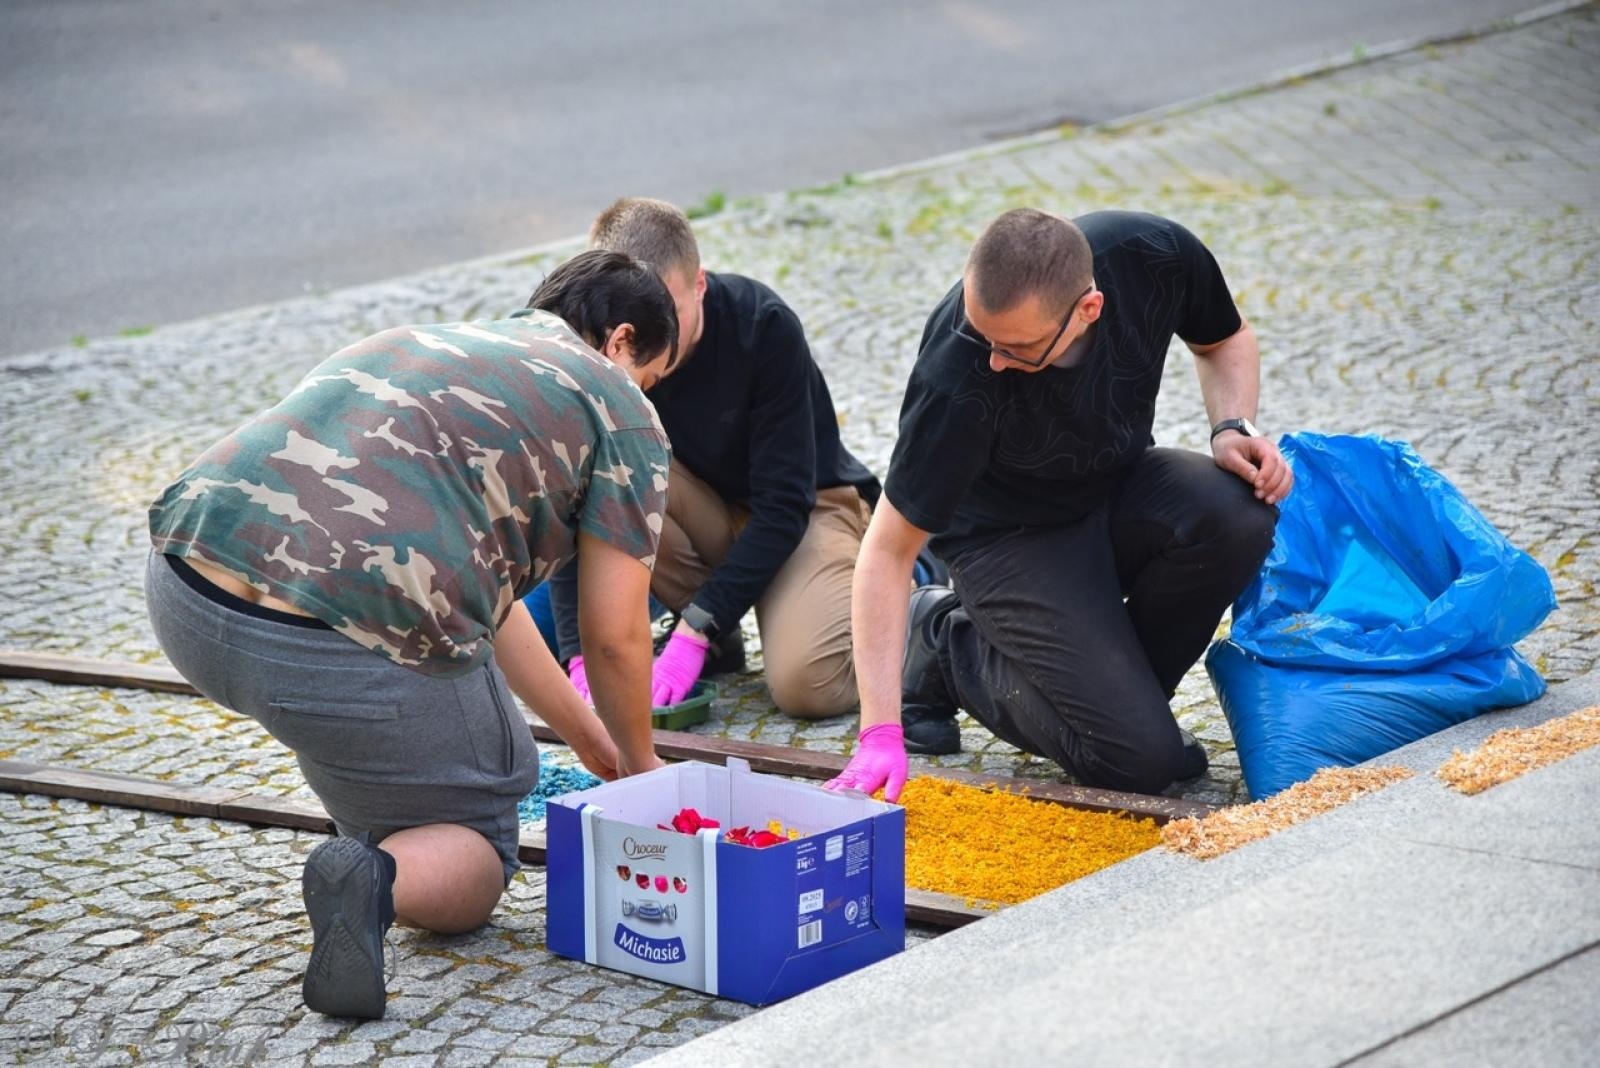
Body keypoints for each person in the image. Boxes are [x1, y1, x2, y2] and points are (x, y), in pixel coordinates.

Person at [144, 250, 676, 1019]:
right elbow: (617, 633)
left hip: (186, 595)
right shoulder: (618, 405)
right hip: (333, 649)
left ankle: (365, 852)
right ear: (622, 341)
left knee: (396, 754)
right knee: (477, 844)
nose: (651, 395)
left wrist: (588, 737)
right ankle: (376, 878)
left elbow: (487, 609)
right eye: (655, 375)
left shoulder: (425, 345)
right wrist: (640, 766)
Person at [827, 208, 1294, 802]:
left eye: (1017, 348)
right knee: (1140, 765)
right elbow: (888, 552)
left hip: (1116, 486)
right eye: (984, 336)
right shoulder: (958, 372)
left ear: (1087, 310)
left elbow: (1224, 339)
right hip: (1004, 539)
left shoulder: (1154, 254)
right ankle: (943, 639)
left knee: (1238, 514)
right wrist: (879, 732)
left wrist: (1231, 425)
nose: (994, 358)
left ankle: (1125, 710)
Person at [548, 197, 884, 719]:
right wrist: (576, 656)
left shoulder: (763, 325)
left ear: (699, 284)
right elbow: (577, 492)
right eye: (637, 321)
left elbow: (784, 506)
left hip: (802, 512)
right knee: (611, 471)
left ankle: (900, 599)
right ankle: (717, 635)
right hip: (701, 511)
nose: (659, 335)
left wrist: (693, 633)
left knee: (807, 687)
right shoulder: (602, 343)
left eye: (671, 310)